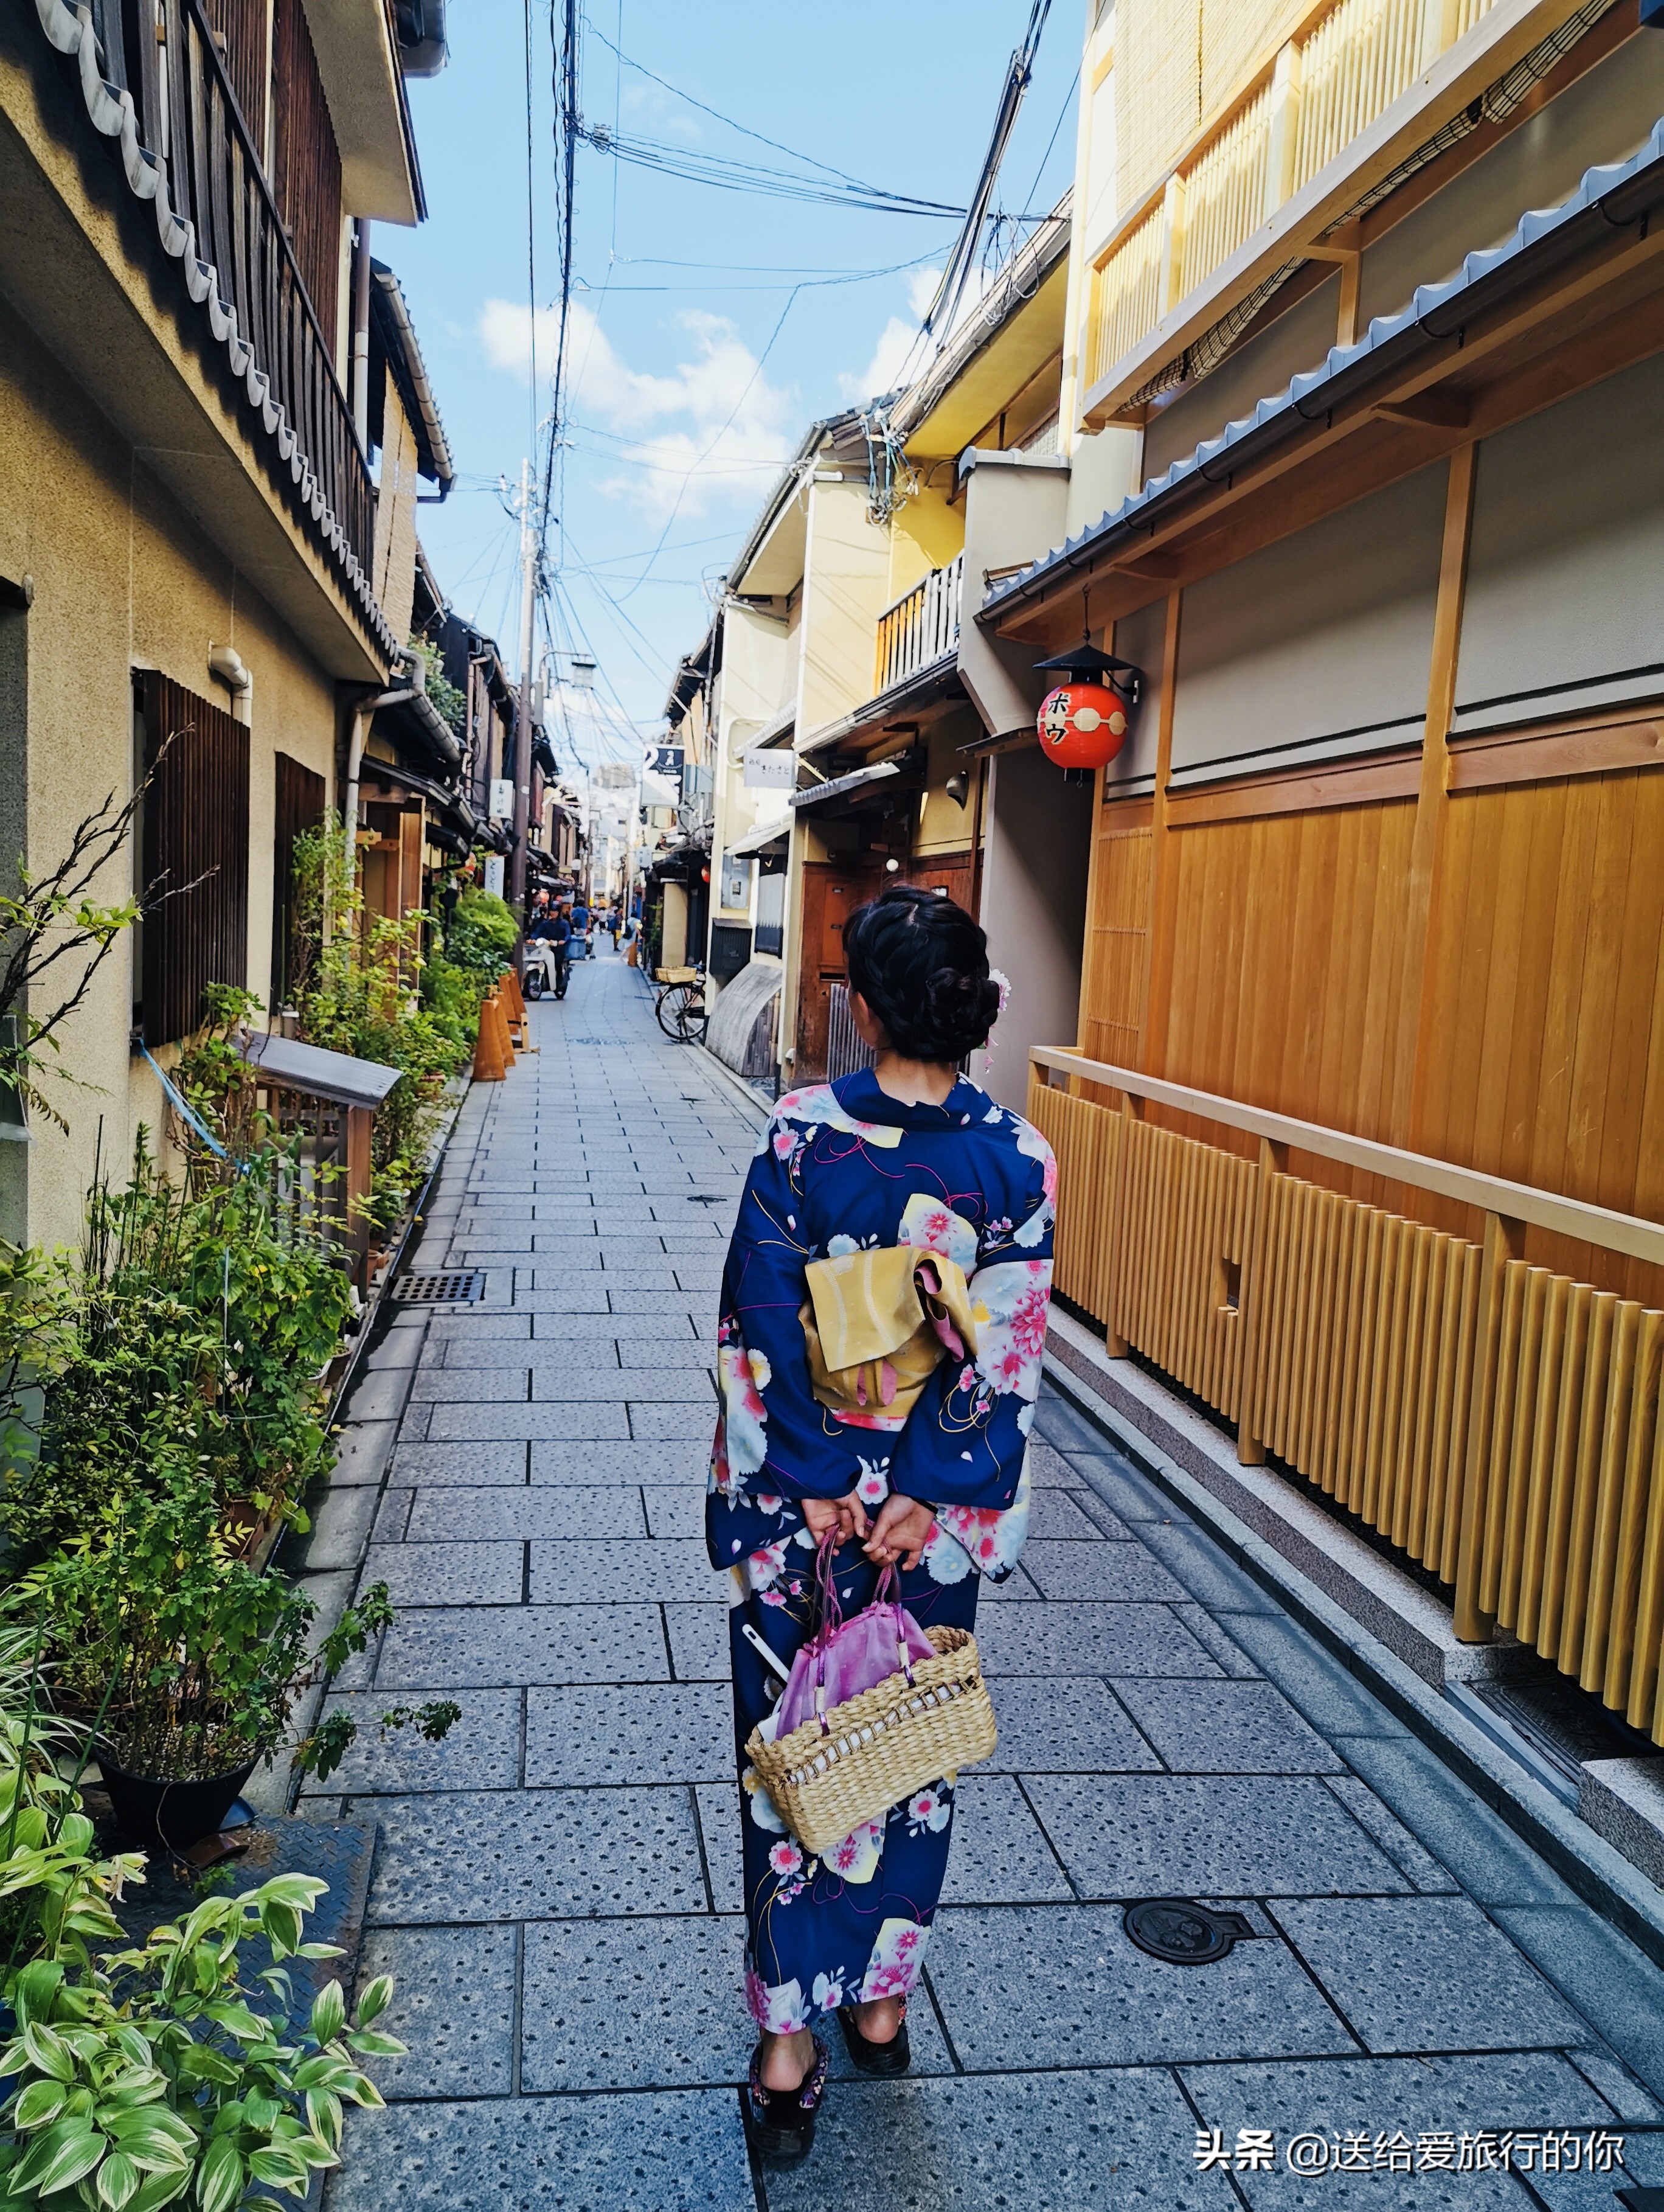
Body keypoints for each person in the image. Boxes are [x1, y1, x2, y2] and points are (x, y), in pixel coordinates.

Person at [707, 885, 1055, 2166]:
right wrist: (930, 1486)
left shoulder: (803, 1137)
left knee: (787, 1749)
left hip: (805, 1509)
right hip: (930, 1523)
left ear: (860, 1013)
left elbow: (757, 1319)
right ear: (974, 1014)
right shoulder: (1015, 1159)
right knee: (907, 1748)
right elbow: (1003, 1350)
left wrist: (809, 1473)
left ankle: (787, 2044)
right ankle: (882, 1997)